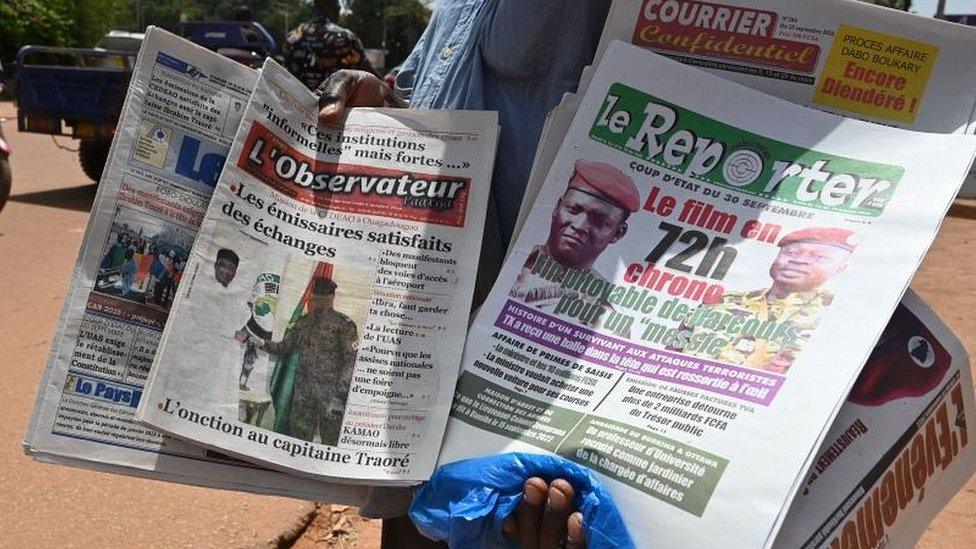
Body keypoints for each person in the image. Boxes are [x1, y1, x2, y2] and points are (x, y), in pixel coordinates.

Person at [681, 227, 858, 374]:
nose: (799, 261)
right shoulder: (719, 302)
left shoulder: (838, 318)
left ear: (839, 268)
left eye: (818, 257)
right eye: (791, 253)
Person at [509, 159, 637, 324]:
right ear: (557, 207)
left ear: (617, 233)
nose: (579, 226)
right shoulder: (512, 261)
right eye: (573, 210)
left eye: (599, 221)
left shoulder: (609, 305)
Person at [243, 276, 357, 445]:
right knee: (298, 442)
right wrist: (259, 342)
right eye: (316, 296)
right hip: (303, 395)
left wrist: (340, 397)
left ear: (331, 297)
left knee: (332, 443)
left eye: (322, 297)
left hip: (330, 395)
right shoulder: (304, 322)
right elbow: (284, 348)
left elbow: (351, 362)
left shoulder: (344, 325)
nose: (317, 300)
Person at [281, 0, 374, 91]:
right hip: (333, 102)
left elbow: (284, 73)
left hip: (295, 102)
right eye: (337, 3)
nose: (340, 7)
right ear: (333, 7)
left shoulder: (292, 37)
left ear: (312, 8)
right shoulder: (345, 37)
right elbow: (370, 74)